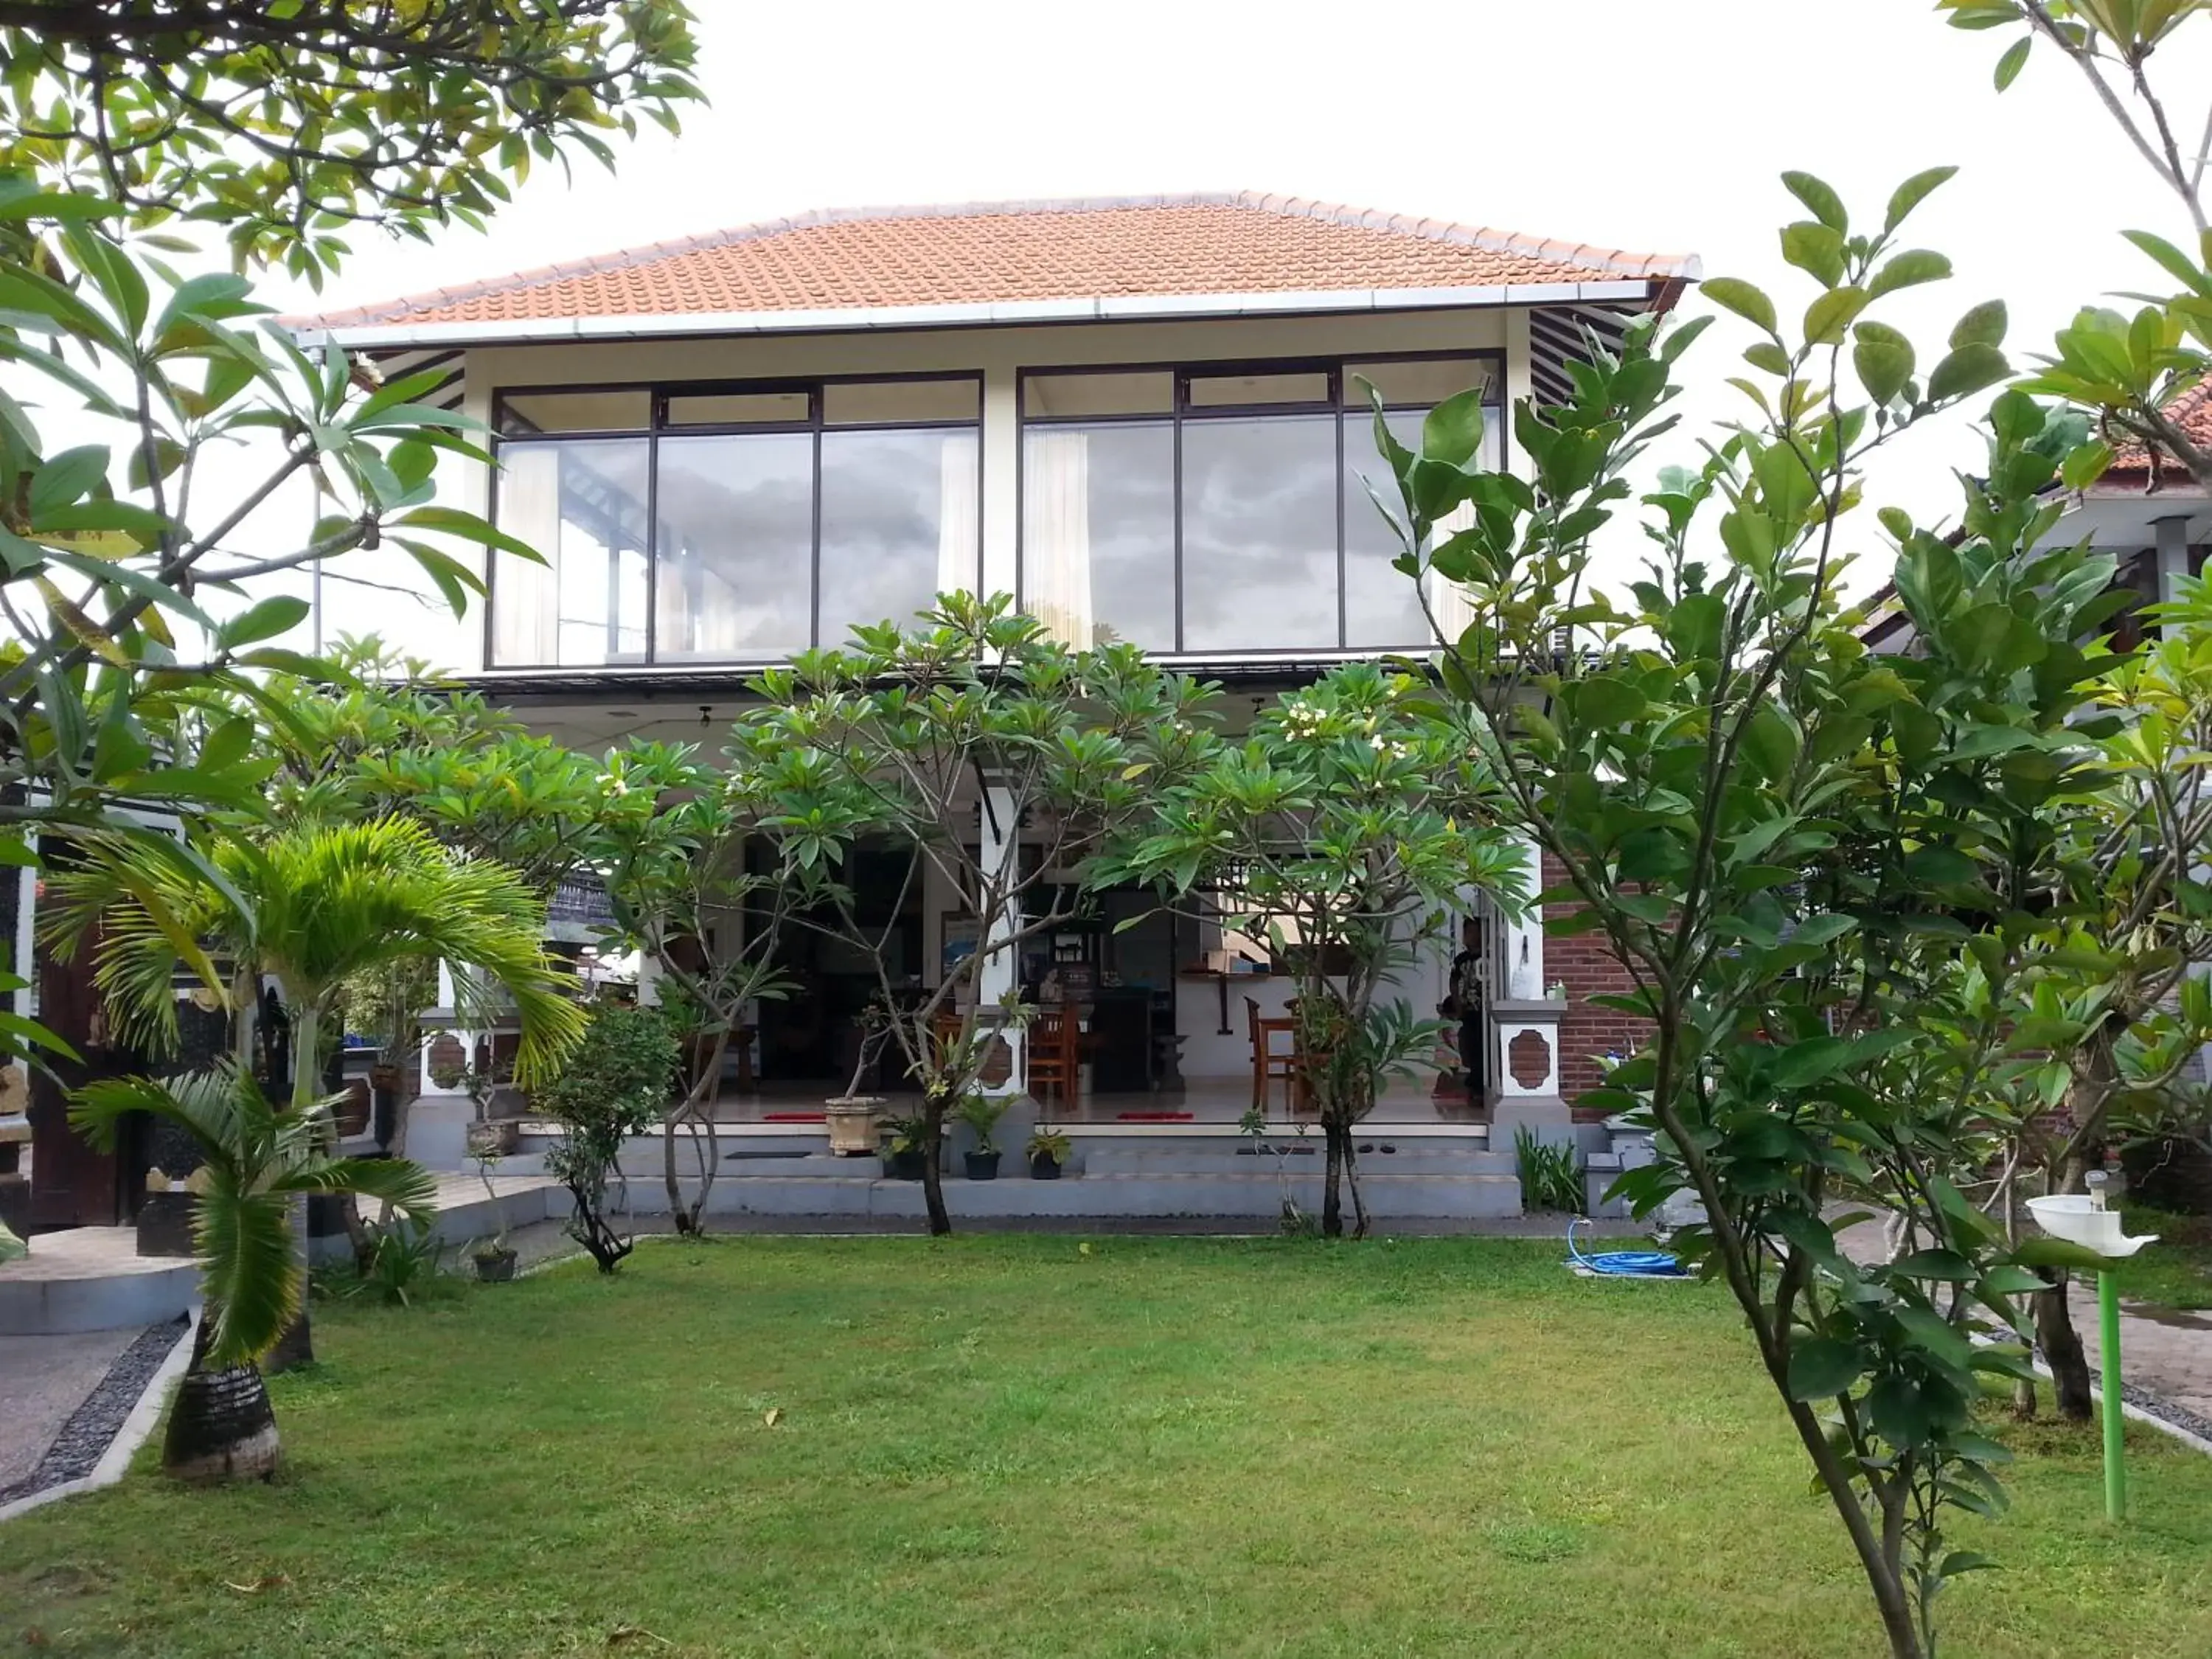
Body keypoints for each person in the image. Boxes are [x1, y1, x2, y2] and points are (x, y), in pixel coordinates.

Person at [1446, 917, 1487, 1099]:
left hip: (1485, 1010)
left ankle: (1479, 1083)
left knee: (1482, 1047)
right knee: (1470, 1045)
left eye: (1472, 932)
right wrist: (1457, 1005)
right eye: (1466, 932)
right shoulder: (1461, 960)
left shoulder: (1488, 958)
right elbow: (1454, 983)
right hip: (1468, 1010)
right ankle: (1474, 1080)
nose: (1468, 937)